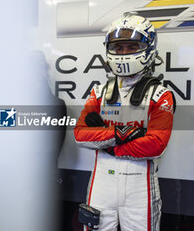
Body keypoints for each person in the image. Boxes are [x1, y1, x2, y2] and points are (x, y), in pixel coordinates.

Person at [74, 13, 175, 231]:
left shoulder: (160, 94)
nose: (123, 53)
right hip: (102, 182)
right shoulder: (99, 92)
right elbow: (80, 135)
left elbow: (156, 145)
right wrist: (121, 134)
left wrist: (106, 140)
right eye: (118, 48)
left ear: (148, 48)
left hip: (140, 186)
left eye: (131, 47)